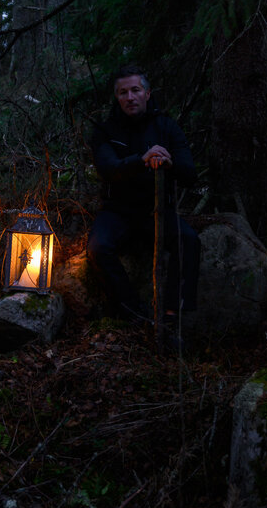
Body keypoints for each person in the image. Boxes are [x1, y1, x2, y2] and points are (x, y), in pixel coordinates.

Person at [86, 64, 200, 324]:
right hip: (117, 211)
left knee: (189, 241)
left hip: (156, 209)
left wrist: (169, 163)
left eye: (135, 90)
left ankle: (173, 318)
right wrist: (142, 160)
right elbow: (108, 169)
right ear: (117, 97)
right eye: (123, 92)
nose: (130, 97)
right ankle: (133, 312)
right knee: (97, 248)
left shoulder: (167, 127)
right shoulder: (105, 130)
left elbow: (190, 175)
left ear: (147, 94)